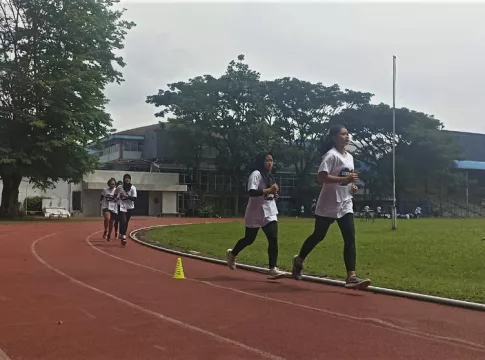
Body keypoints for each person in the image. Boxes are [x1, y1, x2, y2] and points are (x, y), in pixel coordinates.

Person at [291, 125, 371, 289]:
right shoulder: (330, 156)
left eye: (348, 134)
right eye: (343, 134)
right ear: (334, 137)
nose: (347, 137)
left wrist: (351, 186)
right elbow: (321, 178)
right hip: (328, 203)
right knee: (318, 236)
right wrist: (344, 180)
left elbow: (347, 179)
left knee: (350, 238)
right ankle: (299, 260)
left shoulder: (350, 157)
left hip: (345, 202)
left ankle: (351, 276)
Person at [226, 152, 284, 280]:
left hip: (269, 211)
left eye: (271, 160)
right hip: (255, 212)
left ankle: (272, 268)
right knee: (249, 239)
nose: (270, 163)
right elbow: (251, 192)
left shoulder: (270, 176)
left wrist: (273, 195)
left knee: (273, 238)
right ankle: (232, 253)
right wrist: (269, 191)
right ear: (261, 162)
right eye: (267, 160)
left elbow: (268, 192)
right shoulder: (256, 174)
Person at [118, 174, 137, 246]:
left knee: (126, 222)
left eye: (128, 178)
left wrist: (127, 196)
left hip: (130, 207)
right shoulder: (120, 187)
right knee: (123, 220)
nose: (127, 179)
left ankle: (121, 232)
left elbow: (134, 198)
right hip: (122, 206)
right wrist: (118, 196)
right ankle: (124, 236)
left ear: (130, 180)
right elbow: (115, 193)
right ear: (123, 179)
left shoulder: (133, 188)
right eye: (126, 178)